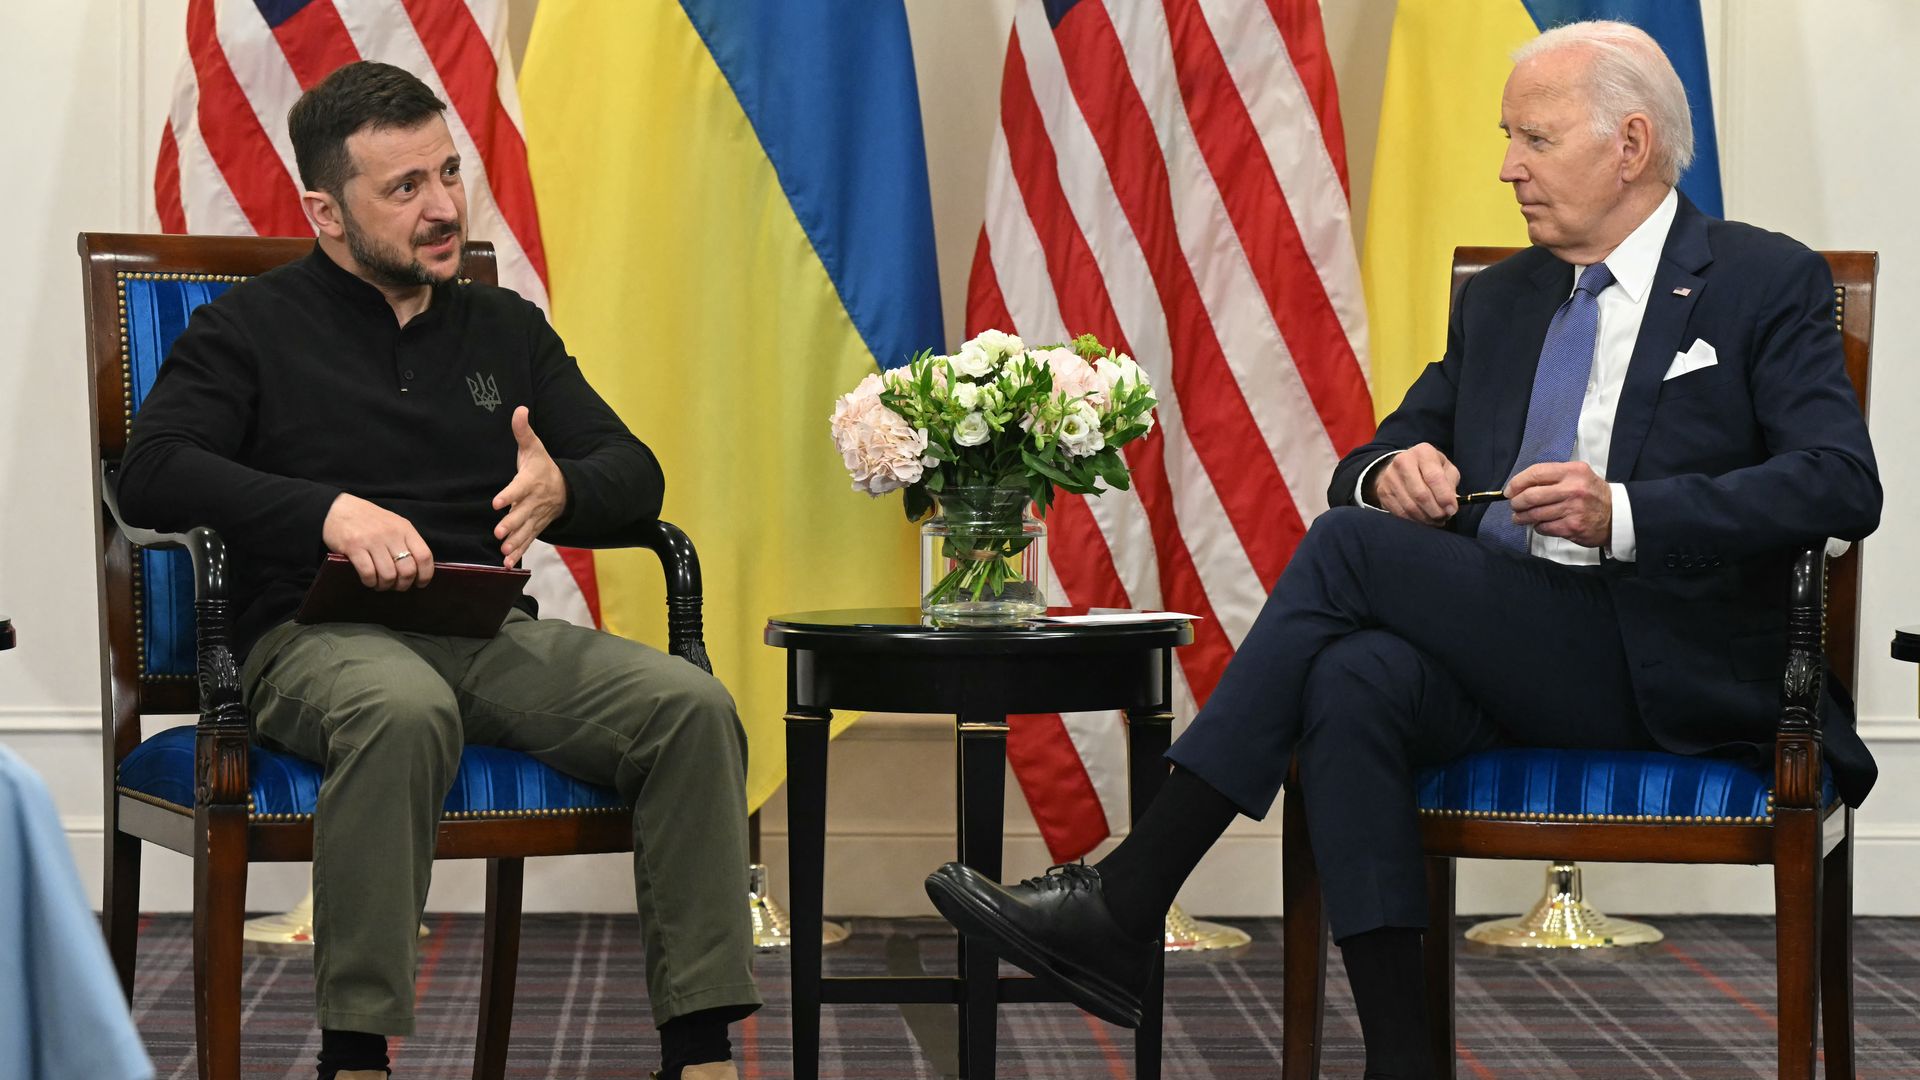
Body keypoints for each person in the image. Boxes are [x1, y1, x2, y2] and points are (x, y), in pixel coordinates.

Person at [924, 20, 1880, 1080]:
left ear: (1632, 143)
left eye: (1536, 138)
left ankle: (1128, 897)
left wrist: (1624, 513)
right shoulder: (1508, 299)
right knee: (1353, 677)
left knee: (1344, 555)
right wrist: (1393, 476)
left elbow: (1841, 484)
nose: (1508, 165)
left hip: (1674, 662)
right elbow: (1367, 459)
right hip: (1515, 644)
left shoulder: (1764, 280)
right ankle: (1401, 1058)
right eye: (1506, 136)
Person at [116, 62, 759, 1080]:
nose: (445, 208)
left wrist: (564, 494)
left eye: (449, 173)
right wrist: (324, 510)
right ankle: (357, 1054)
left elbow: (633, 470)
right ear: (327, 211)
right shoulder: (249, 329)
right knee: (403, 708)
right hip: (315, 635)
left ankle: (702, 1047)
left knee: (688, 706)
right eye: (405, 187)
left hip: (489, 631)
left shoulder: (504, 327)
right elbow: (150, 470)